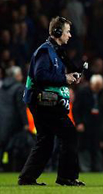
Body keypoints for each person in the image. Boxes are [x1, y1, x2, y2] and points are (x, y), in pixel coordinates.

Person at [18, 16, 84, 186]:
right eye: (67, 32)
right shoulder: (45, 51)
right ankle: (66, 177)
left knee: (46, 140)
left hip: (44, 101)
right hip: (43, 101)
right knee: (68, 133)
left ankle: (27, 178)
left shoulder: (53, 51)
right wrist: (64, 78)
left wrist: (70, 77)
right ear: (57, 32)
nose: (69, 35)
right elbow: (40, 76)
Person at [0, 66, 29, 172]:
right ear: (16, 76)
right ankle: (14, 167)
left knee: (2, 143)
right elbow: (21, 106)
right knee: (16, 144)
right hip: (15, 121)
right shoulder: (19, 87)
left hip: (2, 118)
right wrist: (25, 122)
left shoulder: (1, 87)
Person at [74, 74, 103, 172]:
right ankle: (86, 168)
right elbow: (76, 109)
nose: (97, 89)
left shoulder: (102, 93)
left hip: (97, 124)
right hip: (85, 123)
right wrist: (78, 122)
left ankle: (98, 168)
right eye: (95, 87)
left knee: (97, 147)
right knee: (84, 147)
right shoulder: (82, 92)